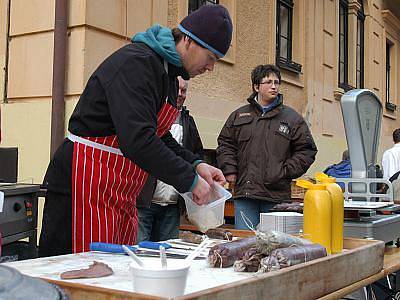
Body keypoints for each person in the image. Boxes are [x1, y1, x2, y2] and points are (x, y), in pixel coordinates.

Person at [39, 5, 232, 257]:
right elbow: (138, 139)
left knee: (119, 268)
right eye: (210, 58)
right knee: (81, 270)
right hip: (85, 181)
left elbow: (159, 134)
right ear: (188, 40)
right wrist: (189, 180)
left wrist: (196, 164)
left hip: (119, 192)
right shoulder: (138, 64)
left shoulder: (170, 76)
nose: (210, 68)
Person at [216, 64, 317, 229]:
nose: (274, 86)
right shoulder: (239, 115)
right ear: (256, 86)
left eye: (277, 82)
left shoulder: (292, 119)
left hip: (276, 196)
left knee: (274, 245)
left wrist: (283, 172)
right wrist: (230, 170)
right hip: (245, 194)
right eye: (268, 82)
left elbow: (306, 151)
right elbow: (226, 144)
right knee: (245, 244)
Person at [136, 77, 204, 242]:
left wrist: (198, 168)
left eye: (184, 90)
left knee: (168, 253)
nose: (181, 94)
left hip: (172, 203)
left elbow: (193, 153)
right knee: (140, 252)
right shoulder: (149, 116)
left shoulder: (189, 121)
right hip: (145, 201)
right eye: (178, 89)